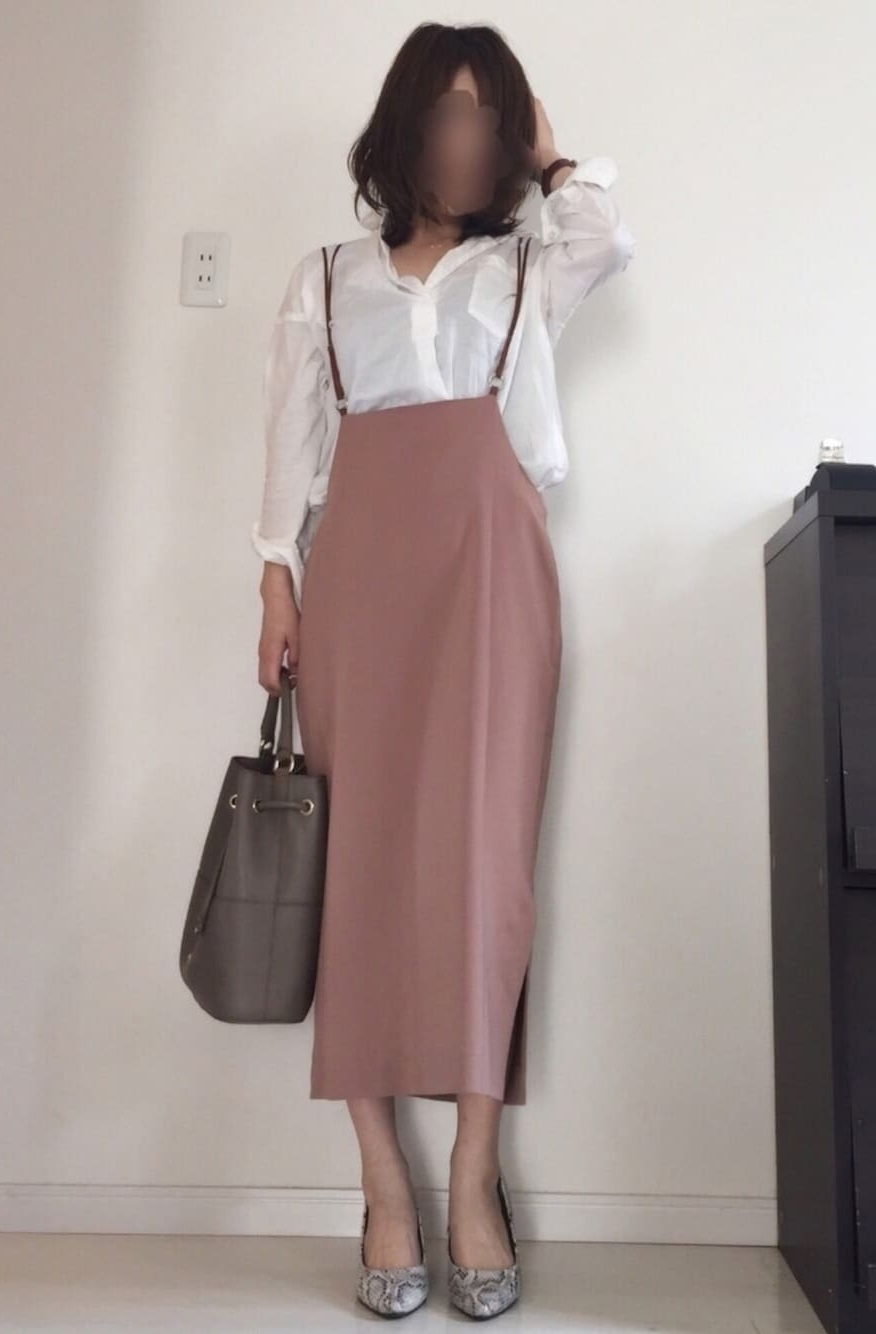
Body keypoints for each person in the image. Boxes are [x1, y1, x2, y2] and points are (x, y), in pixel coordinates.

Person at [251, 21, 636, 1320]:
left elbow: (607, 233)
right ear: (404, 122)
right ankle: (383, 1182)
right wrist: (275, 581)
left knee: (483, 867)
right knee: (353, 862)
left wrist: (548, 149)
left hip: (491, 573)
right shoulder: (325, 279)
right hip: (359, 574)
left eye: (490, 117)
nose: (467, 140)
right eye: (449, 112)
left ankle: (474, 1173)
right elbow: (292, 446)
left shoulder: (527, 268)